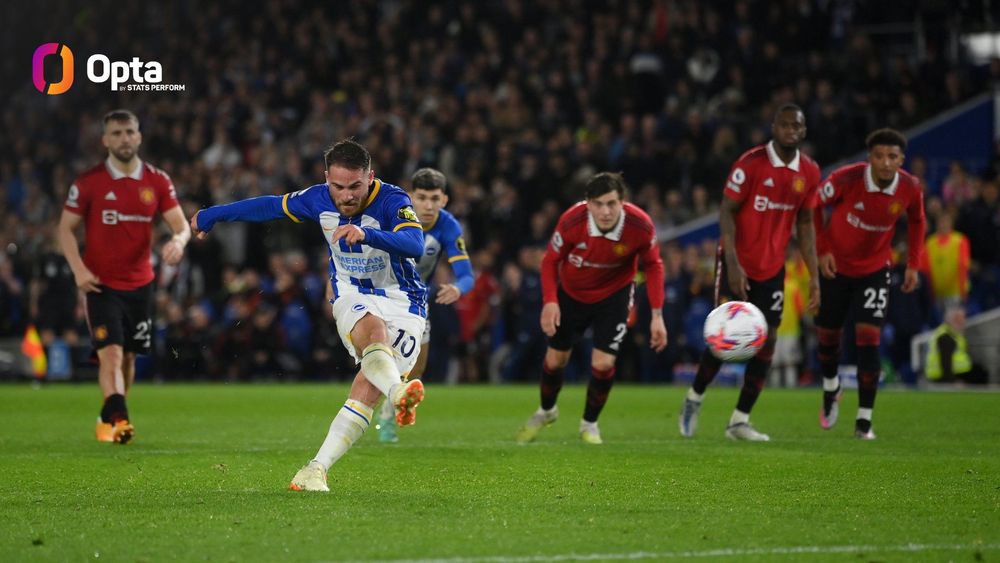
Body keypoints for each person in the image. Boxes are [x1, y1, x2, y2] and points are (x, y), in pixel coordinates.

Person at [190, 139, 428, 492]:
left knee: (365, 387)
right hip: (352, 294)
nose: (346, 196)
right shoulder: (317, 199)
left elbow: (415, 244)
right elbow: (269, 206)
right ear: (327, 178)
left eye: (355, 187)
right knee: (373, 332)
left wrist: (368, 234)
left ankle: (315, 470)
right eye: (338, 187)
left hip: (404, 302)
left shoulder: (394, 200)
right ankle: (397, 391)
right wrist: (215, 214)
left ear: (370, 177)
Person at [679, 103, 821, 442]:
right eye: (783, 124)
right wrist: (732, 263)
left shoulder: (810, 173)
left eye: (795, 126)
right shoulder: (751, 164)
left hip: (772, 268)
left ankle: (739, 421)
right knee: (722, 339)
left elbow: (805, 223)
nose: (790, 131)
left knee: (767, 340)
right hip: (736, 263)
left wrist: (814, 275)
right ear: (773, 127)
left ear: (803, 131)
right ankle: (694, 397)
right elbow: (726, 210)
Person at [57, 109, 191, 444]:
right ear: (105, 140)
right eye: (116, 133)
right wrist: (79, 270)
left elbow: (180, 225)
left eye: (129, 132)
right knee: (112, 353)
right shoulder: (89, 182)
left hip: (141, 283)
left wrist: (178, 241)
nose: (124, 139)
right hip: (100, 284)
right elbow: (65, 229)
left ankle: (111, 416)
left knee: (129, 357)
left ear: (139, 136)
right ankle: (120, 419)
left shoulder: (157, 181)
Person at [515, 172, 668, 445]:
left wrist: (657, 315)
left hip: (615, 295)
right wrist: (550, 301)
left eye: (611, 203)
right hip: (572, 294)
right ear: (588, 203)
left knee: (603, 362)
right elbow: (551, 261)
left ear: (623, 202)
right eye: (598, 204)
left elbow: (654, 265)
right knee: (555, 360)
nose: (605, 211)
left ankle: (590, 424)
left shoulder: (640, 225)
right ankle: (547, 410)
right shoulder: (572, 221)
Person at [813, 128, 926, 439]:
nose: (886, 163)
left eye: (892, 157)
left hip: (875, 270)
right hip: (835, 266)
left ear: (901, 160)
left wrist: (914, 264)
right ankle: (831, 387)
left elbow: (917, 220)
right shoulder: (846, 178)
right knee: (828, 338)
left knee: (869, 340)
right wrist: (821, 250)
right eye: (879, 156)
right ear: (870, 158)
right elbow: (812, 205)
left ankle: (864, 421)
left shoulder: (909, 186)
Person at [375, 167, 474, 443]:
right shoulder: (392, 215)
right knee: (379, 353)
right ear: (411, 197)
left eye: (434, 198)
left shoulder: (448, 226)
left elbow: (467, 275)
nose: (428, 205)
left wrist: (458, 287)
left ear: (444, 200)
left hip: (415, 299)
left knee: (416, 368)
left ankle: (386, 416)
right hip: (379, 293)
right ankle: (360, 411)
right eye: (422, 198)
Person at [925, 306, 988, 385]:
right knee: (979, 374)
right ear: (952, 320)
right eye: (960, 319)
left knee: (980, 370)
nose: (963, 322)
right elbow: (946, 364)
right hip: (942, 376)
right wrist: (953, 382)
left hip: (957, 371)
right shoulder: (945, 337)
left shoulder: (953, 334)